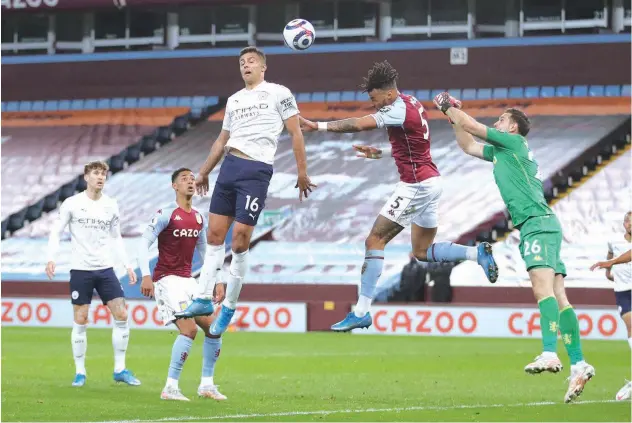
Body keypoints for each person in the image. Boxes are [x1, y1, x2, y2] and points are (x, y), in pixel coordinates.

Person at [299, 61, 497, 332]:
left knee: (374, 239)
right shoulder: (411, 102)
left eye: (374, 99)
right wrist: (379, 154)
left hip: (415, 185)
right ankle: (477, 253)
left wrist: (317, 126)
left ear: (388, 94)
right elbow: (413, 147)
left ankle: (361, 312)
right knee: (422, 252)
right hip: (431, 181)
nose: (374, 105)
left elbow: (358, 124)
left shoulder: (395, 108)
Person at [434, 91, 593, 403]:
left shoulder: (513, 143)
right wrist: (451, 115)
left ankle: (550, 353)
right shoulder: (503, 152)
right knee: (559, 295)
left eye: (502, 120)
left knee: (541, 289)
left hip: (536, 222)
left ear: (512, 129)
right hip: (543, 222)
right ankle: (579, 363)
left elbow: (473, 126)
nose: (497, 122)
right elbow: (467, 144)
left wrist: (447, 105)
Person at [175, 46, 316, 336]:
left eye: (251, 61)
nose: (245, 65)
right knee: (214, 236)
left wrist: (302, 172)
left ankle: (228, 306)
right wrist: (204, 172)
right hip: (229, 167)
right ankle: (203, 298)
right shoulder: (235, 100)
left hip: (256, 171)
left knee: (239, 241)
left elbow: (295, 132)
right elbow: (221, 139)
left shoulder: (279, 92)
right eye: (241, 62)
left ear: (263, 68)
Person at [46, 160, 140, 387]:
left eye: (104, 174)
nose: (100, 177)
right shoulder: (72, 203)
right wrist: (51, 257)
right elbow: (56, 232)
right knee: (80, 318)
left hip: (106, 268)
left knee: (121, 314)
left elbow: (116, 237)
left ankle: (120, 369)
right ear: (86, 176)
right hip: (81, 269)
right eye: (96, 173)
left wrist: (127, 264)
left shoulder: (111, 205)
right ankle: (80, 372)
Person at [137, 168, 227, 401]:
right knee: (189, 330)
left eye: (192, 179)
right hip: (167, 280)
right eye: (184, 179)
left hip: (189, 281)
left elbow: (207, 252)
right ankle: (170, 387)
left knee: (213, 328)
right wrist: (146, 275)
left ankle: (206, 384)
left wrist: (217, 279)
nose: (190, 182)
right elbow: (142, 244)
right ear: (174, 186)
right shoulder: (165, 214)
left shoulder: (198, 217)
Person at [591, 211, 631, 401]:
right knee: (630, 326)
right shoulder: (614, 241)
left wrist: (611, 262)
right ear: (624, 224)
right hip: (623, 291)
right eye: (629, 221)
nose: (631, 224)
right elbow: (610, 253)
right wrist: (608, 271)